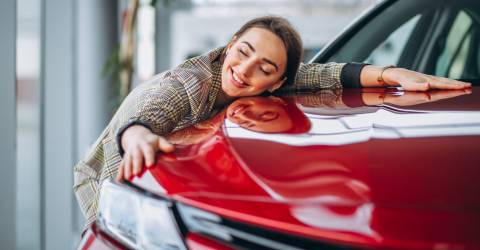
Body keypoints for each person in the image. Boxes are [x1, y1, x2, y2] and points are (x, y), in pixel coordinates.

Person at [73, 15, 471, 226]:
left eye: (264, 67)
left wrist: (390, 74)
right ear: (230, 45)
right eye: (242, 51)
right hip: (106, 174)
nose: (244, 70)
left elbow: (324, 75)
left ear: (279, 81)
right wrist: (138, 134)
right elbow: (153, 112)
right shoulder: (188, 84)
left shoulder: (274, 82)